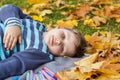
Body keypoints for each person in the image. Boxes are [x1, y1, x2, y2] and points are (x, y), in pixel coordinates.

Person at [0, 4, 87, 79]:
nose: (59, 42)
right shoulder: (38, 25)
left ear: (59, 56)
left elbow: (15, 64)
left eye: (62, 48)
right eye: (63, 36)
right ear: (59, 27)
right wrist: (13, 24)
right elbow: (8, 8)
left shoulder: (41, 52)